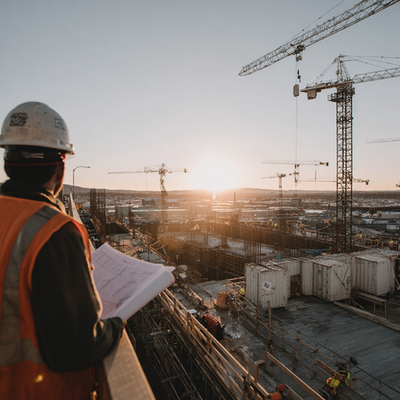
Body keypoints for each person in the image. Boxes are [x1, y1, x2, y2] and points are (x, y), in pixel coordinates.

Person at [0, 102, 124, 399]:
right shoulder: (56, 232)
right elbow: (78, 346)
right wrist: (117, 326)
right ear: (60, 168)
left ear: (7, 161)